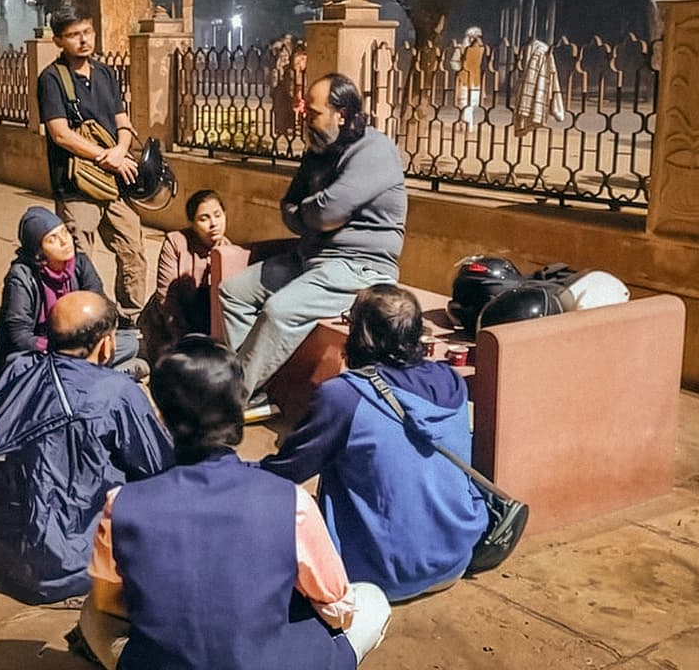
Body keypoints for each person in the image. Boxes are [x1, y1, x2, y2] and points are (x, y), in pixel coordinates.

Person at [77, 335, 390, 669]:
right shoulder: (291, 502)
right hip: (272, 660)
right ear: (240, 411)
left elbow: (111, 602)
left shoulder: (123, 504)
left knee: (92, 613)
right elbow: (337, 608)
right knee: (372, 600)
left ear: (161, 418)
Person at [261, 285, 487, 602]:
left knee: (276, 510)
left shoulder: (343, 396)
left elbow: (284, 475)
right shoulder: (450, 380)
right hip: (454, 560)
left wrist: (228, 472)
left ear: (361, 335)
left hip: (376, 577)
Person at [0, 291, 173, 605]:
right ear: (107, 344)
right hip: (69, 566)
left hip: (2, 549)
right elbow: (159, 466)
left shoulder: (16, 370)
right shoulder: (116, 392)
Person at [220, 73, 408, 400]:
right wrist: (315, 213)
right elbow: (291, 209)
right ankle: (253, 386)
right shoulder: (318, 150)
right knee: (233, 292)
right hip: (311, 258)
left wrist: (315, 214)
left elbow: (326, 213)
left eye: (313, 113)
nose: (304, 117)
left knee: (279, 311)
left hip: (359, 267)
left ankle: (231, 400)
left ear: (342, 113)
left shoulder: (374, 149)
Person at [38, 5, 148, 322]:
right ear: (59, 40)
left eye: (87, 31)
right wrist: (104, 156)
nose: (83, 40)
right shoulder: (52, 79)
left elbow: (123, 123)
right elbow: (60, 134)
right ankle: (84, 320)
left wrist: (120, 151)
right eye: (73, 35)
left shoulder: (104, 73)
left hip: (114, 182)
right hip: (76, 185)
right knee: (77, 257)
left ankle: (131, 317)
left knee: (132, 250)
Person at [0, 206, 146, 385]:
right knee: (19, 366)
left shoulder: (80, 262)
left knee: (129, 343)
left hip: (77, 344)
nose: (64, 241)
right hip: (42, 350)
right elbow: (19, 336)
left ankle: (76, 377)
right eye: (52, 239)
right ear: (39, 253)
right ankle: (111, 374)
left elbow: (102, 305)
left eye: (64, 232)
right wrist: (62, 350)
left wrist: (96, 338)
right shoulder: (21, 276)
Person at [136, 190, 243, 363]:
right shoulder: (176, 242)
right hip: (168, 323)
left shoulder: (230, 252)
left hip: (206, 326)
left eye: (217, 215)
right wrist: (185, 340)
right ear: (192, 223)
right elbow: (166, 297)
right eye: (204, 218)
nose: (213, 224)